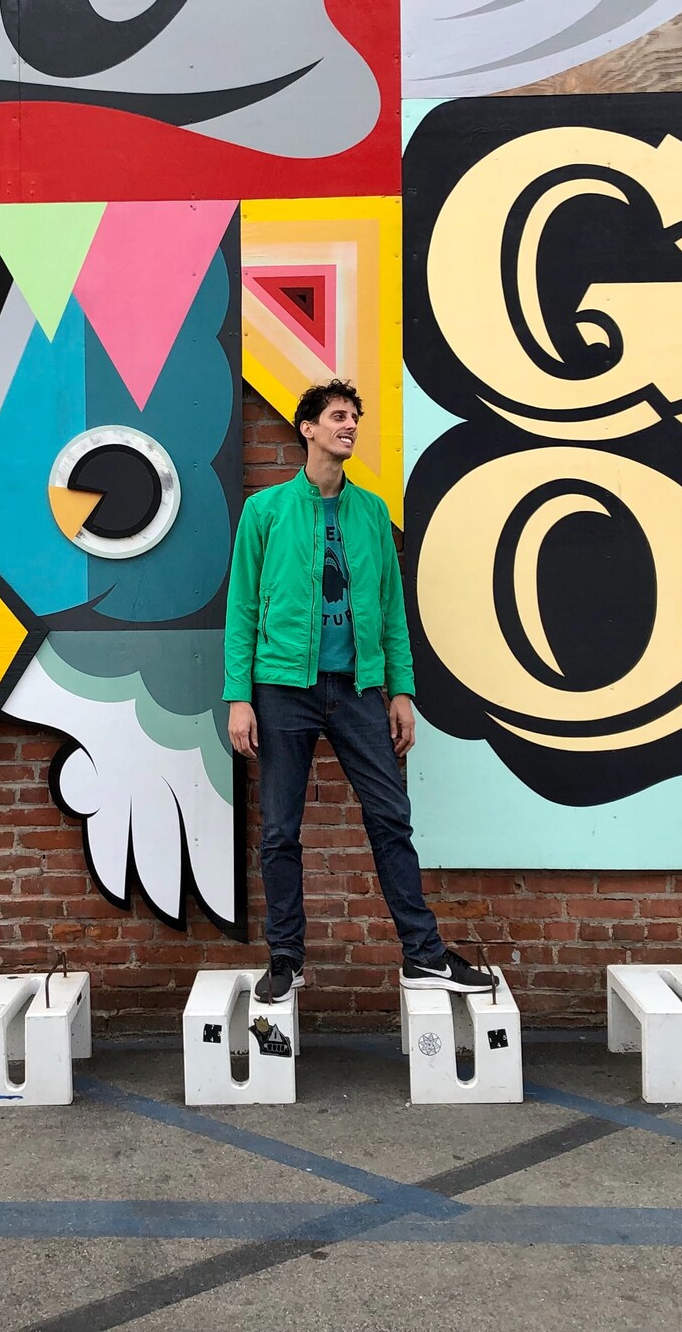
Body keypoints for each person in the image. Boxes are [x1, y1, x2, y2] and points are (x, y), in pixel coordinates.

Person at [224, 379, 493, 1002]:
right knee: (280, 831)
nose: (349, 426)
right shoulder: (265, 513)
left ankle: (423, 954)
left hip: (358, 689)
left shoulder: (371, 512)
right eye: (338, 416)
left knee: (391, 819)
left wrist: (402, 690)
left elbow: (392, 608)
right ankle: (286, 959)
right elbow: (241, 609)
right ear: (308, 429)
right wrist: (240, 696)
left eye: (354, 417)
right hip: (281, 688)